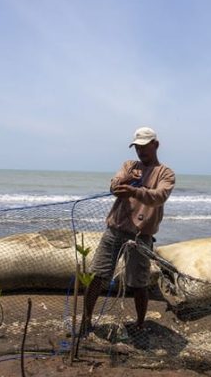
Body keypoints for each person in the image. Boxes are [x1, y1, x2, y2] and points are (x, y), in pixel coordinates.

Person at [81, 127, 175, 334]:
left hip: (141, 236)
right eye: (137, 147)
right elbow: (113, 186)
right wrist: (124, 182)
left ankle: (140, 325)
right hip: (115, 230)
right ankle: (85, 321)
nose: (140, 151)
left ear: (155, 145)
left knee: (139, 283)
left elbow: (159, 196)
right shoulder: (129, 165)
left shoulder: (165, 173)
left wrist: (134, 190)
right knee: (97, 275)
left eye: (144, 146)